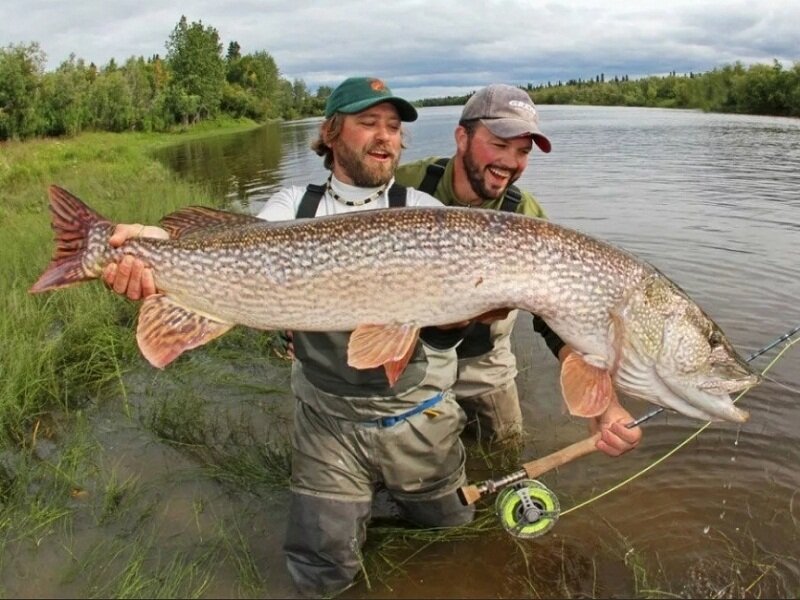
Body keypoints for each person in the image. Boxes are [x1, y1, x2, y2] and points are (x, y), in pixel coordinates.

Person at [102, 78, 641, 597]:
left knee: (455, 534)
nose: (386, 135)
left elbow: (521, 305)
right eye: (368, 123)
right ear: (332, 133)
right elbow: (236, 242)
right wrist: (149, 245)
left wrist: (462, 317)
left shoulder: (427, 211)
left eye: (394, 126)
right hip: (327, 419)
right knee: (321, 563)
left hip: (418, 409)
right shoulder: (295, 205)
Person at [395, 84, 641, 456]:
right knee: (408, 458)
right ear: (462, 137)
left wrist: (603, 404)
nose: (511, 162)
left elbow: (554, 316)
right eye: (499, 144)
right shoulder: (406, 185)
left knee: (505, 454)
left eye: (522, 151)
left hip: (484, 360)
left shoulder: (523, 213)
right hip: (410, 351)